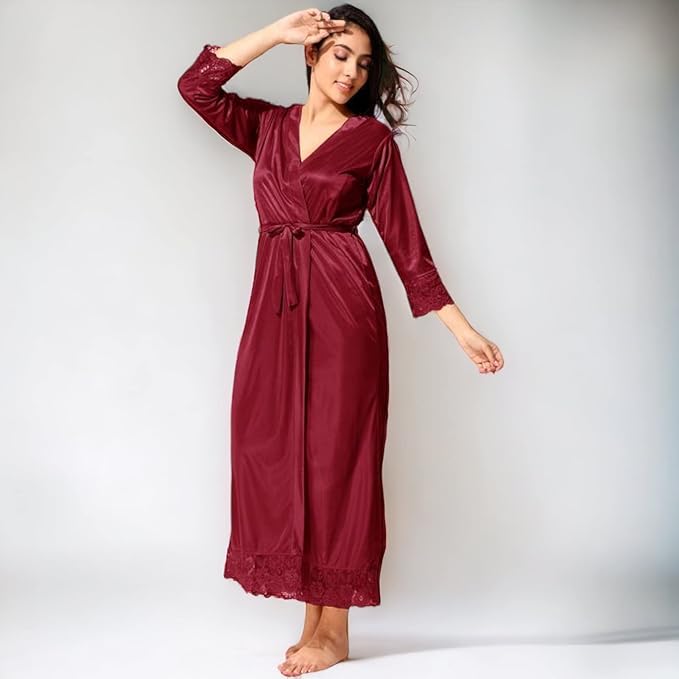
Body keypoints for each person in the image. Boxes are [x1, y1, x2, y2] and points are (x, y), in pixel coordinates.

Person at [177, 4, 504, 676]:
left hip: (342, 304)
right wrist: (275, 32)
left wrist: (459, 326)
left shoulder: (371, 143)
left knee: (336, 459)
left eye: (363, 63)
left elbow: (408, 247)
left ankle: (333, 630)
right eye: (339, 55)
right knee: (270, 446)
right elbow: (196, 86)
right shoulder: (268, 127)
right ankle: (313, 622)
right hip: (273, 307)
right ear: (312, 54)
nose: (351, 72)